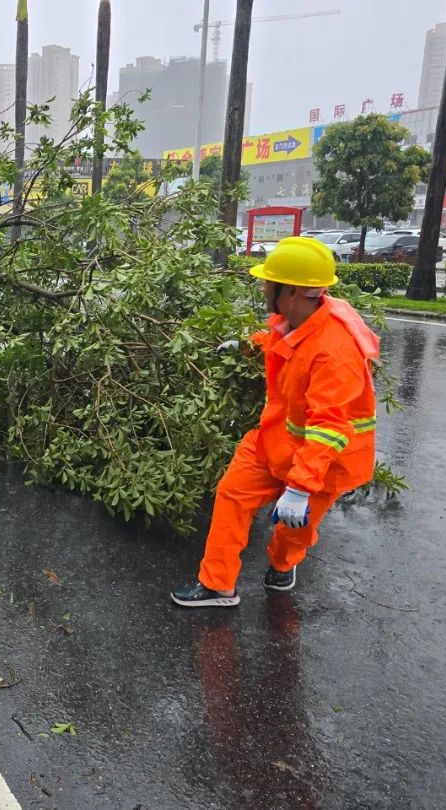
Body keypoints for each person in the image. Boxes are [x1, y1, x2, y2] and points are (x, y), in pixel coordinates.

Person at [172, 237, 380, 608]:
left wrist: (299, 489)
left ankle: (284, 565)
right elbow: (284, 344)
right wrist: (247, 345)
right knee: (232, 494)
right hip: (274, 437)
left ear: (295, 291)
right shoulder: (295, 321)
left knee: (292, 529)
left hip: (324, 462)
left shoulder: (336, 351)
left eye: (270, 282)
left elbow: (329, 427)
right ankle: (218, 585)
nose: (264, 287)